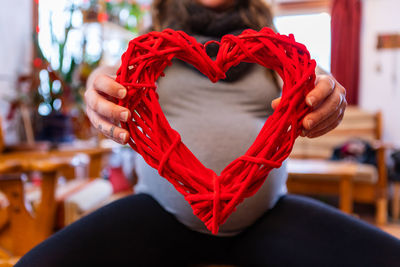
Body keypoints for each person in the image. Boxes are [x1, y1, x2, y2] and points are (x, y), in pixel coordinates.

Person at [16, 0, 400, 266]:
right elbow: (111, 77)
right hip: (158, 216)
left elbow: (310, 78)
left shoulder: (272, 43)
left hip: (267, 219)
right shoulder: (150, 44)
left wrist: (326, 94)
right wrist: (97, 91)